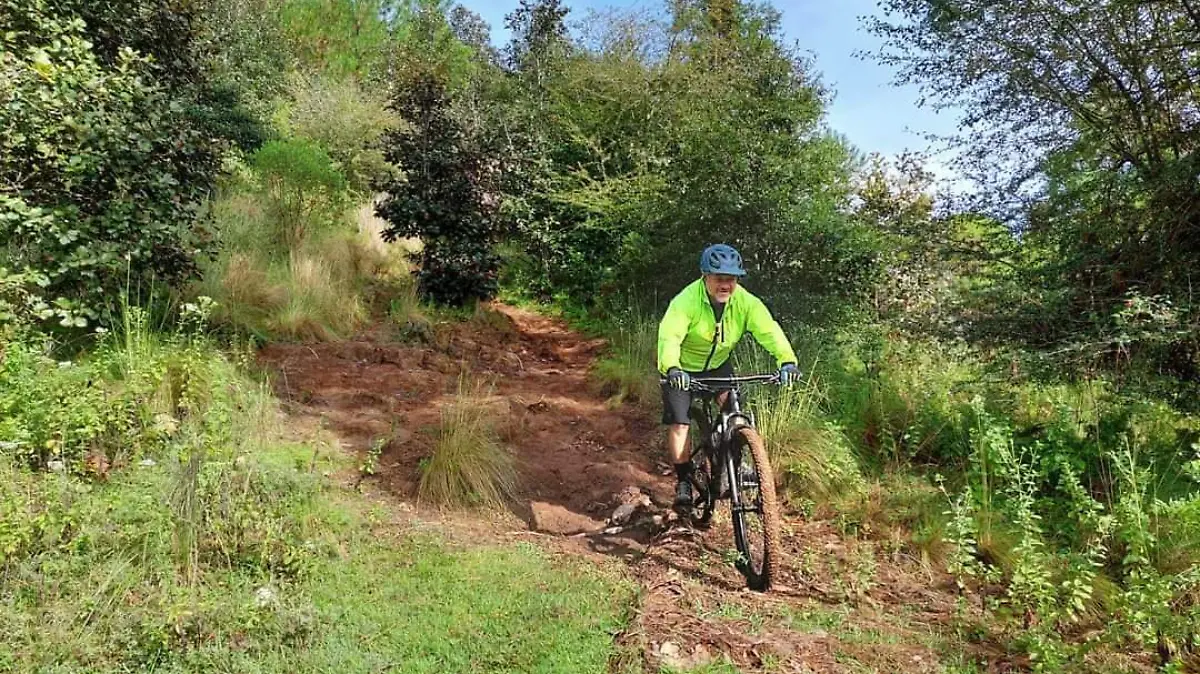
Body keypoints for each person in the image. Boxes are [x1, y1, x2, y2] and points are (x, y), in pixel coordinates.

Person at [657, 243, 800, 507]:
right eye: (719, 278)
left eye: (731, 279)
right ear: (705, 276)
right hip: (682, 369)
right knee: (680, 424)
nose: (725, 285)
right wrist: (673, 367)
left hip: (718, 367)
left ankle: (734, 463)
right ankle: (684, 480)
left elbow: (769, 330)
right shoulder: (686, 301)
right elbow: (670, 336)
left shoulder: (745, 302)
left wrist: (787, 361)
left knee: (734, 412)